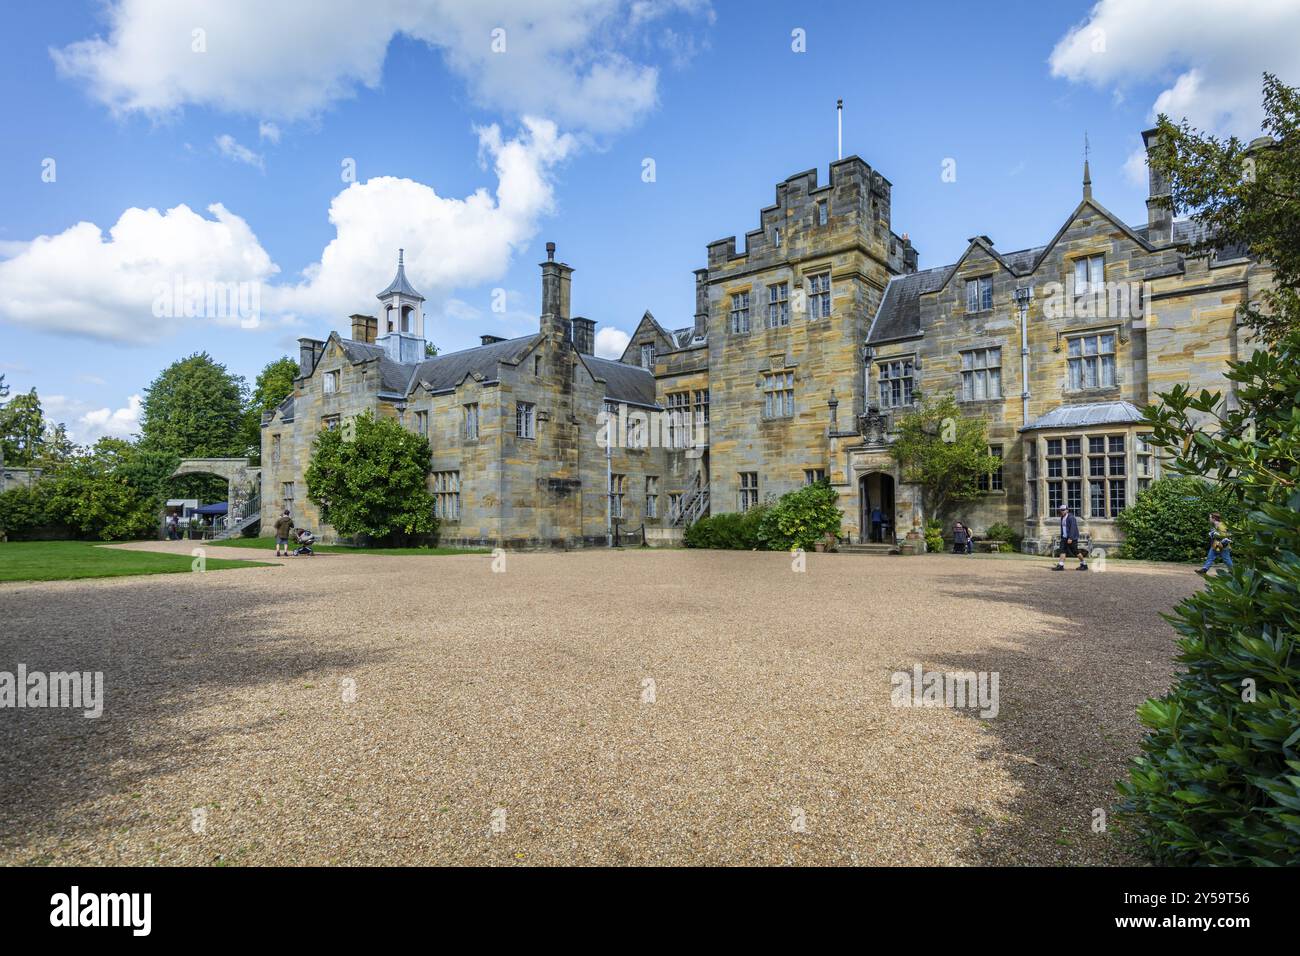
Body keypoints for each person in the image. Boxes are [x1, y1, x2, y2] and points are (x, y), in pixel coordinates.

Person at [1053, 505, 1087, 570]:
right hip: (1064, 537)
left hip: (1072, 538)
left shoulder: (1071, 518)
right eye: (1061, 510)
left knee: (1075, 551)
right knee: (1062, 550)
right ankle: (1061, 565)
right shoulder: (1062, 517)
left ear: (1067, 510)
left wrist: (1070, 538)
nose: (1062, 511)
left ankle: (1084, 564)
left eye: (1063, 510)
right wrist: (1063, 536)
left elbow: (1073, 528)